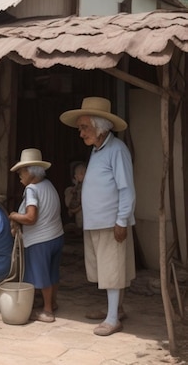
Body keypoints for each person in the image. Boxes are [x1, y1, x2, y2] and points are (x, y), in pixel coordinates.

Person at [60, 96, 136, 336]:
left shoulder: (117, 150)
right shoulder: (97, 150)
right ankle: (116, 309)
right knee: (106, 269)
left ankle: (113, 318)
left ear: (100, 126)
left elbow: (126, 189)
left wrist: (122, 221)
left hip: (110, 223)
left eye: (84, 128)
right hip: (96, 223)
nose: (81, 133)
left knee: (112, 269)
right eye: (81, 128)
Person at [9, 148, 64, 323]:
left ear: (30, 171)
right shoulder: (49, 185)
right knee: (52, 272)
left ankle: (47, 311)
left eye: (21, 171)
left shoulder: (32, 189)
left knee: (42, 274)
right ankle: (53, 302)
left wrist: (13, 215)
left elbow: (31, 217)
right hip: (56, 236)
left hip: (40, 239)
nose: (19, 176)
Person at [65, 161, 87, 230]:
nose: (84, 175)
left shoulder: (89, 187)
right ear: (75, 176)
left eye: (85, 172)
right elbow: (69, 204)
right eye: (81, 173)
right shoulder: (70, 190)